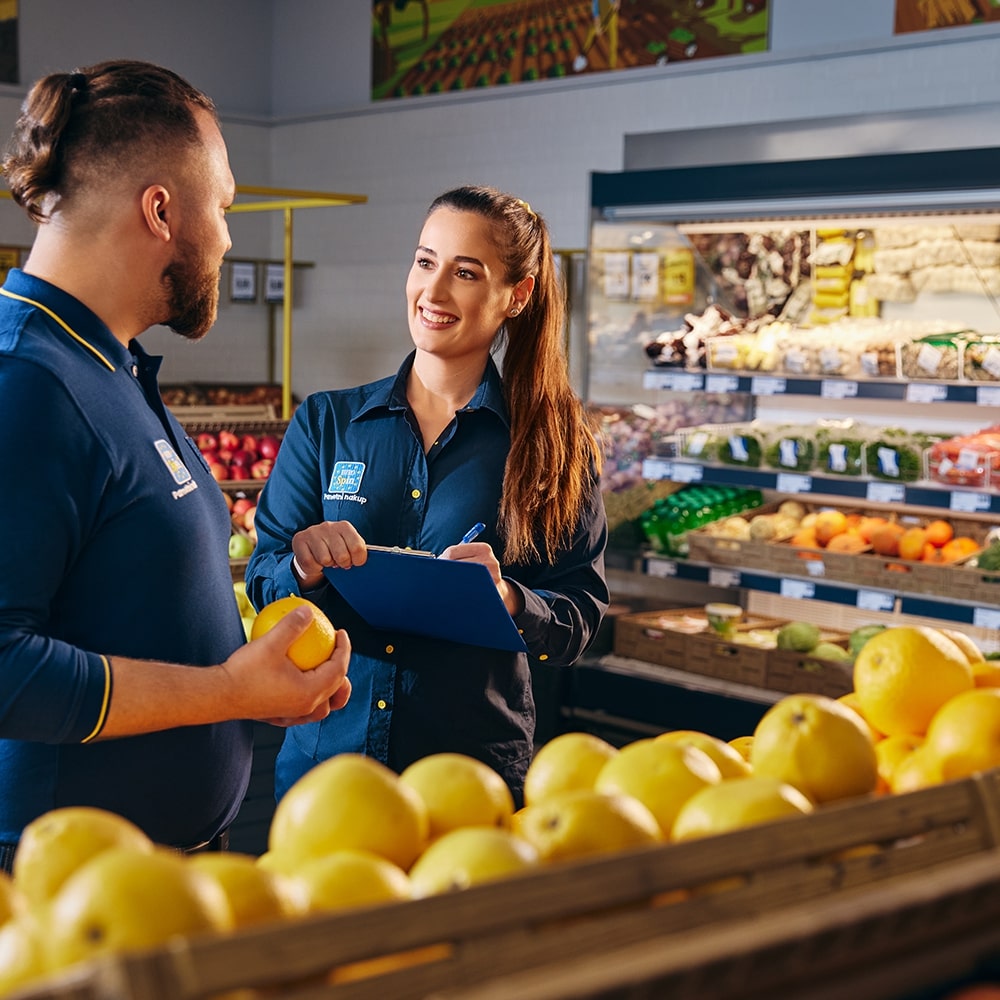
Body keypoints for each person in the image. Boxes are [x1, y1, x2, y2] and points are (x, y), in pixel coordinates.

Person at [0, 60, 352, 865]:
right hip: (71, 886)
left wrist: (253, 680)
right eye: (224, 206)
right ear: (160, 210)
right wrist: (228, 692)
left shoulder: (105, 364)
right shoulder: (26, 384)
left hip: (157, 867)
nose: (229, 235)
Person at [246, 185, 610, 806]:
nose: (433, 293)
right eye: (424, 262)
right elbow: (263, 582)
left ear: (516, 296)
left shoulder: (554, 444)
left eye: (465, 273)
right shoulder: (327, 423)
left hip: (470, 782)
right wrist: (302, 569)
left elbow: (581, 622)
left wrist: (507, 598)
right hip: (327, 770)